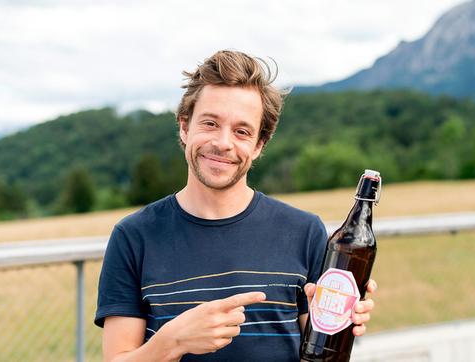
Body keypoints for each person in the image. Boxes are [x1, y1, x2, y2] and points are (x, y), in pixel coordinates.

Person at [94, 50, 377, 361]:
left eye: (242, 131)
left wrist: (342, 322)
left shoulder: (305, 232)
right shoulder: (134, 237)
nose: (224, 143)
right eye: (210, 123)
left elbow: (322, 353)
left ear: (258, 145)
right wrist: (172, 342)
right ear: (184, 127)